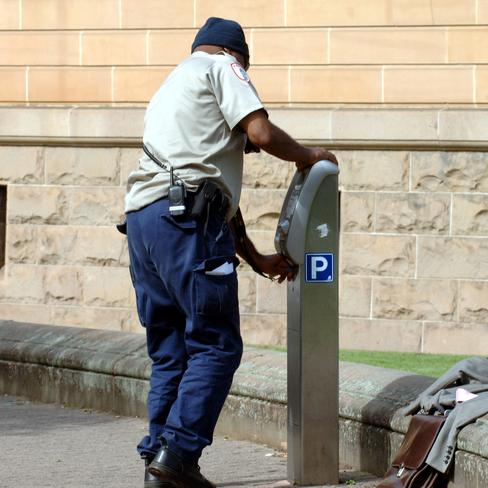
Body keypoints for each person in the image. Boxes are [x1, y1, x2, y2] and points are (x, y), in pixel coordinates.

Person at [123, 17, 337, 488]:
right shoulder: (223, 68)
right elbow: (260, 133)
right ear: (238, 55)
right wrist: (309, 155)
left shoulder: (170, 87)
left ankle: (159, 464)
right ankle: (177, 454)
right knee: (216, 346)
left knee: (170, 352)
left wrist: (256, 258)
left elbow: (209, 187)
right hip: (185, 224)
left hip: (143, 225)